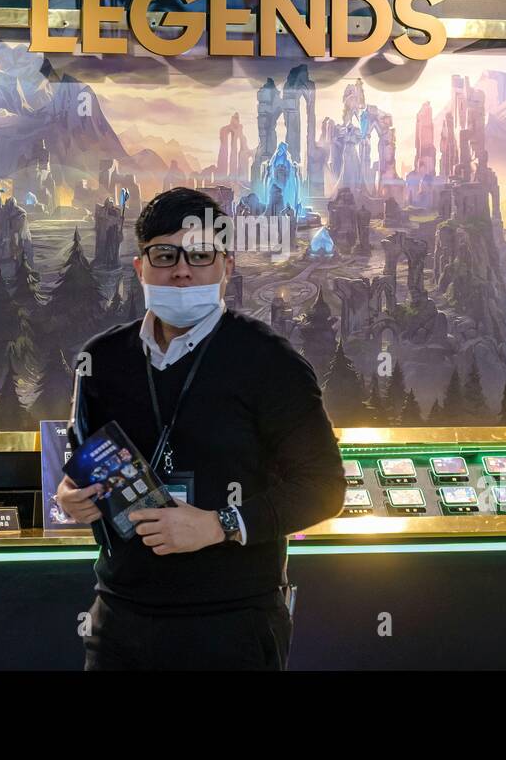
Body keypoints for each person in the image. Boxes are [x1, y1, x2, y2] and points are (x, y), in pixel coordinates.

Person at [55, 187, 346, 670]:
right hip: (119, 619)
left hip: (233, 626)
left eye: (200, 254)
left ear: (226, 267)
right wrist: (69, 498)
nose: (182, 269)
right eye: (165, 255)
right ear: (140, 267)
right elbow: (78, 467)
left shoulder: (271, 361)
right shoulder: (100, 360)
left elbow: (323, 489)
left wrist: (217, 525)